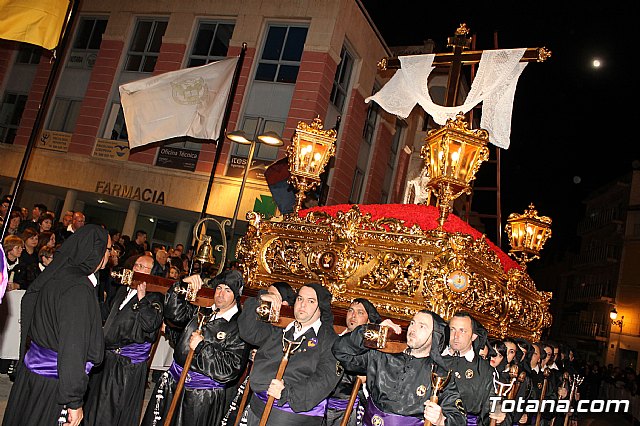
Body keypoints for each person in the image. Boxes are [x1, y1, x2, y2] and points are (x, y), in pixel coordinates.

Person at [3, 224, 110, 426]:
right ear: (96, 250)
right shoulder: (78, 288)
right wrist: (74, 401)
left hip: (32, 375)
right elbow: (72, 348)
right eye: (108, 249)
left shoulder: (59, 274)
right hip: (53, 383)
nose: (110, 255)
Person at [141, 269, 249, 426]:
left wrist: (202, 348)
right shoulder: (202, 312)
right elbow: (174, 314)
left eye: (227, 290)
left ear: (236, 295)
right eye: (219, 288)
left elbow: (230, 368)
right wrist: (182, 285)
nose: (220, 294)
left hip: (201, 397)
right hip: (174, 384)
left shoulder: (239, 327)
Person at [332, 309, 466, 426]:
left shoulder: (439, 374)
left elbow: (459, 419)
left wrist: (441, 420)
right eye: (412, 323)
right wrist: (371, 332)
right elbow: (340, 351)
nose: (412, 329)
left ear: (435, 336)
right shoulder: (382, 356)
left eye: (422, 326)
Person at [238, 282, 341, 426]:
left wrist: (287, 393)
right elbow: (248, 332)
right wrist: (260, 300)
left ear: (321, 307)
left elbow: (324, 380)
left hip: (290, 416)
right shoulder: (282, 327)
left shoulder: (329, 340)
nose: (302, 305)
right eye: (300, 299)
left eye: (310, 301)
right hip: (257, 408)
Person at [84, 254, 163, 426]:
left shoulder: (155, 298)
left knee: (111, 410)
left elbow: (151, 325)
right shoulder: (122, 290)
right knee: (92, 403)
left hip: (125, 365)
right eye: (136, 265)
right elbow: (105, 314)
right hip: (106, 356)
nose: (137, 269)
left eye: (143, 267)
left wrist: (143, 299)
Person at [325, 298, 382, 426]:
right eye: (351, 310)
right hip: (321, 408)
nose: (353, 315)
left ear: (369, 321)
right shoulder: (331, 339)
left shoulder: (373, 352)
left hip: (349, 411)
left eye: (360, 312)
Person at [442, 311, 502, 426]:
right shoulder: (435, 360)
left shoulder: (485, 370)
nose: (456, 336)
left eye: (462, 331)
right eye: (452, 329)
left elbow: (489, 410)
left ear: (473, 336)